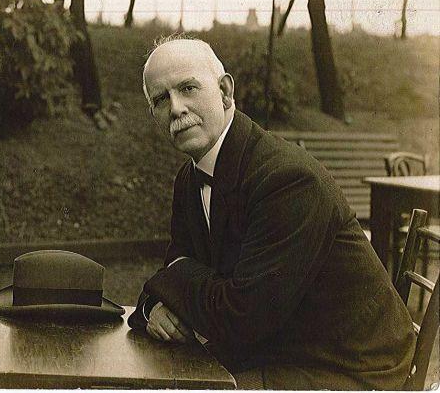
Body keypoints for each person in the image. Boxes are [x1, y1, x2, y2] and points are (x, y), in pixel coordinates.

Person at [128, 35, 416, 390]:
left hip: (350, 370)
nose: (175, 108)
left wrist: (174, 278)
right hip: (275, 353)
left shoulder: (286, 179)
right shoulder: (189, 179)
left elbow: (241, 321)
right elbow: (170, 280)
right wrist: (151, 308)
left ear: (225, 91)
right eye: (160, 99)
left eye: (188, 88)